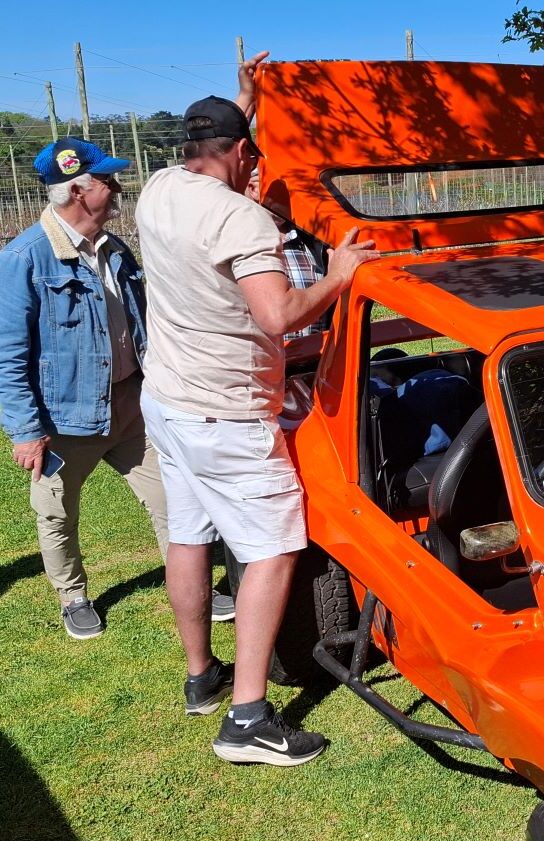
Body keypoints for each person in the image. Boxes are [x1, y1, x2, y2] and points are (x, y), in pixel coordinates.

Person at [136, 51, 379, 766]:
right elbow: (279, 317)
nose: (257, 170)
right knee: (273, 548)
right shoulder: (242, 219)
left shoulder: (159, 189)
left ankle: (199, 677)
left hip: (170, 401)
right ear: (242, 152)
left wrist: (245, 98)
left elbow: (221, 149)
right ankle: (247, 718)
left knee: (189, 535)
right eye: (254, 156)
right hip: (228, 414)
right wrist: (338, 277)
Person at [0, 138, 169, 640]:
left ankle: (192, 580)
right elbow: (7, 355)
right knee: (55, 513)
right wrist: (26, 431)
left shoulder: (114, 249)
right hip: (63, 419)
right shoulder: (25, 257)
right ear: (77, 191)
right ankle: (72, 595)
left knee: (174, 500)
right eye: (107, 181)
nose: (118, 188)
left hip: (131, 405)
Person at [245, 168, 329, 339]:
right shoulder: (237, 242)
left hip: (317, 359)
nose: (297, 198)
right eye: (289, 188)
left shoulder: (315, 241)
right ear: (254, 188)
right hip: (265, 362)